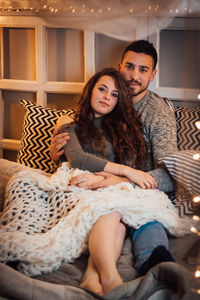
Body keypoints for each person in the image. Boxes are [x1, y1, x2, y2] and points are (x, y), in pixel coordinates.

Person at [50, 40, 177, 294]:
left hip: (141, 188)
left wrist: (119, 180)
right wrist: (59, 155)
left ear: (153, 75)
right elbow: (84, 139)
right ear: (120, 67)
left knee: (146, 218)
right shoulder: (109, 103)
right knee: (112, 213)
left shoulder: (158, 113)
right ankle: (97, 277)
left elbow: (170, 174)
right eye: (129, 67)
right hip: (103, 185)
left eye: (143, 70)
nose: (134, 75)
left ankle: (156, 265)